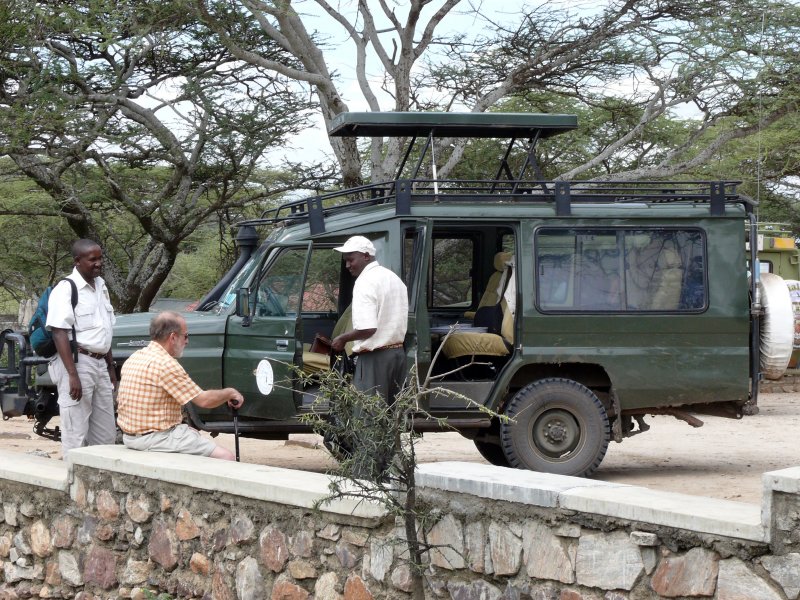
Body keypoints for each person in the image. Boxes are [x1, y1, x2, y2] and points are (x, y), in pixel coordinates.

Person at [116, 311, 243, 460]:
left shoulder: (136, 356)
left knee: (190, 432)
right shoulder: (166, 364)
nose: (187, 341)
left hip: (131, 437)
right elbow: (205, 401)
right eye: (186, 336)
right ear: (173, 337)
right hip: (156, 438)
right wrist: (230, 392)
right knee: (226, 457)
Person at [47, 239, 117, 456]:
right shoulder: (66, 288)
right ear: (77, 261)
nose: (98, 263)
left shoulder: (101, 286)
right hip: (78, 362)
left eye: (100, 258)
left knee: (106, 433)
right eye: (92, 259)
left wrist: (111, 367)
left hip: (100, 363)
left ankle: (100, 483)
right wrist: (72, 375)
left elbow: (104, 330)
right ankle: (73, 480)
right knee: (76, 429)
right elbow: (59, 332)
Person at [331, 236, 408, 403]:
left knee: (369, 418)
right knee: (392, 417)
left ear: (366, 256)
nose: (347, 265)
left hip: (375, 359)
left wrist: (342, 338)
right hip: (397, 355)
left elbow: (368, 328)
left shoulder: (365, 282)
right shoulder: (393, 278)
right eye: (346, 261)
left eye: (351, 260)